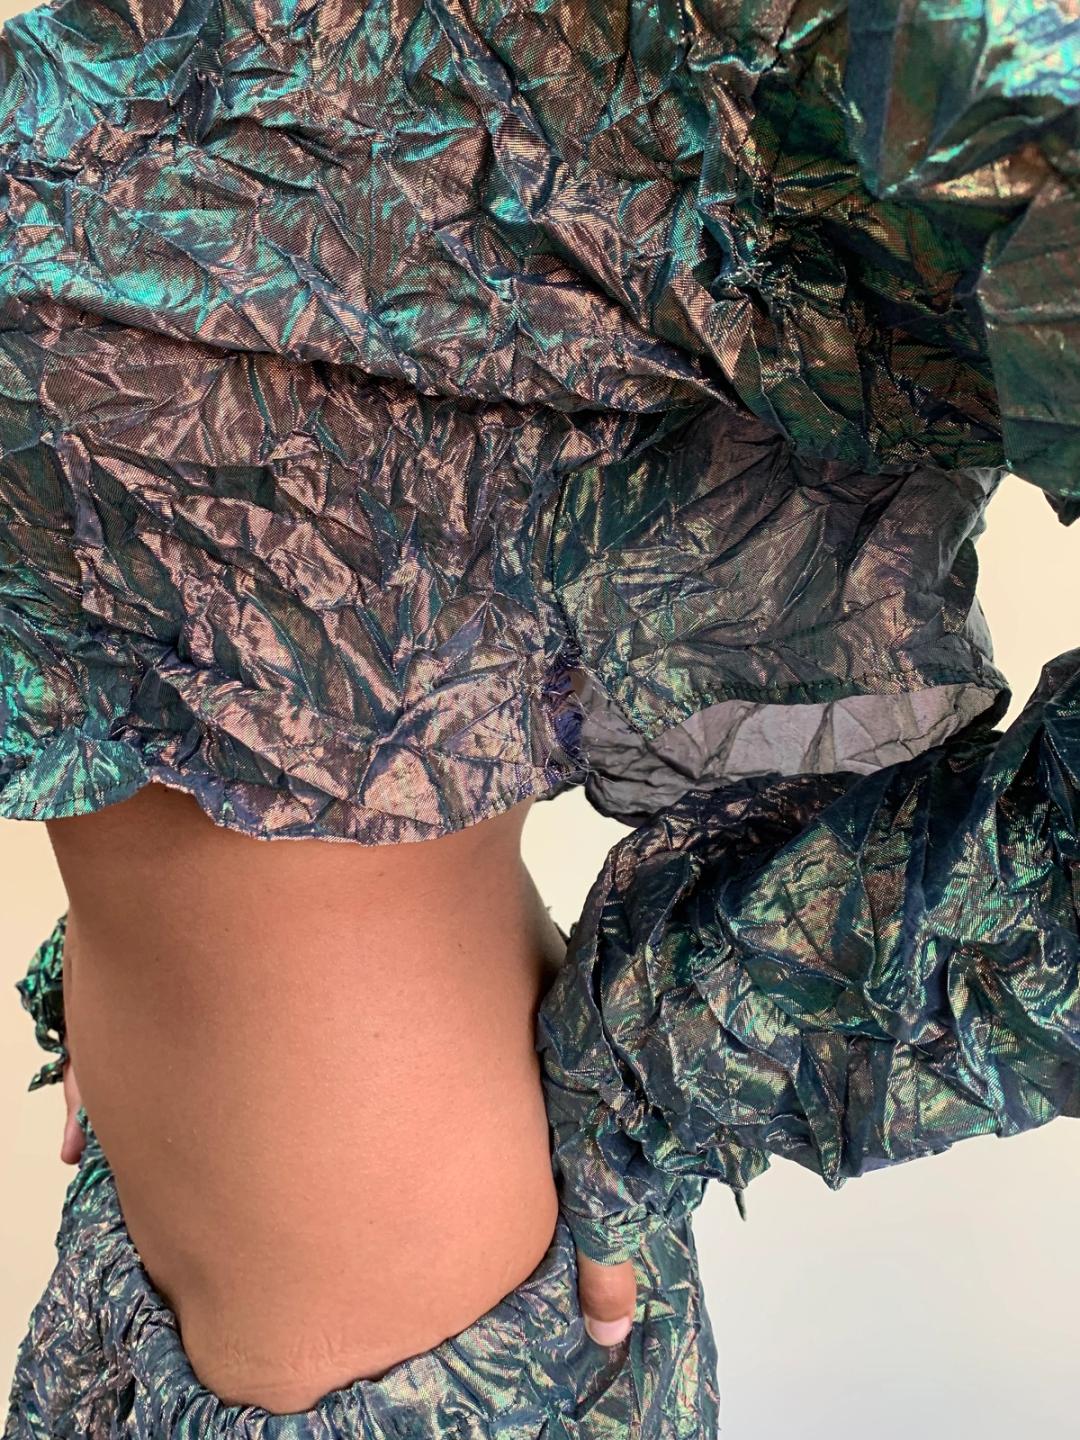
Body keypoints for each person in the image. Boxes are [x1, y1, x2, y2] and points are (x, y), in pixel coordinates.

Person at [2, 0, 1078, 1435]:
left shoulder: (770, 44)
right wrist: (140, 940)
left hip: (426, 1359)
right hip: (122, 1283)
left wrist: (690, 1043)